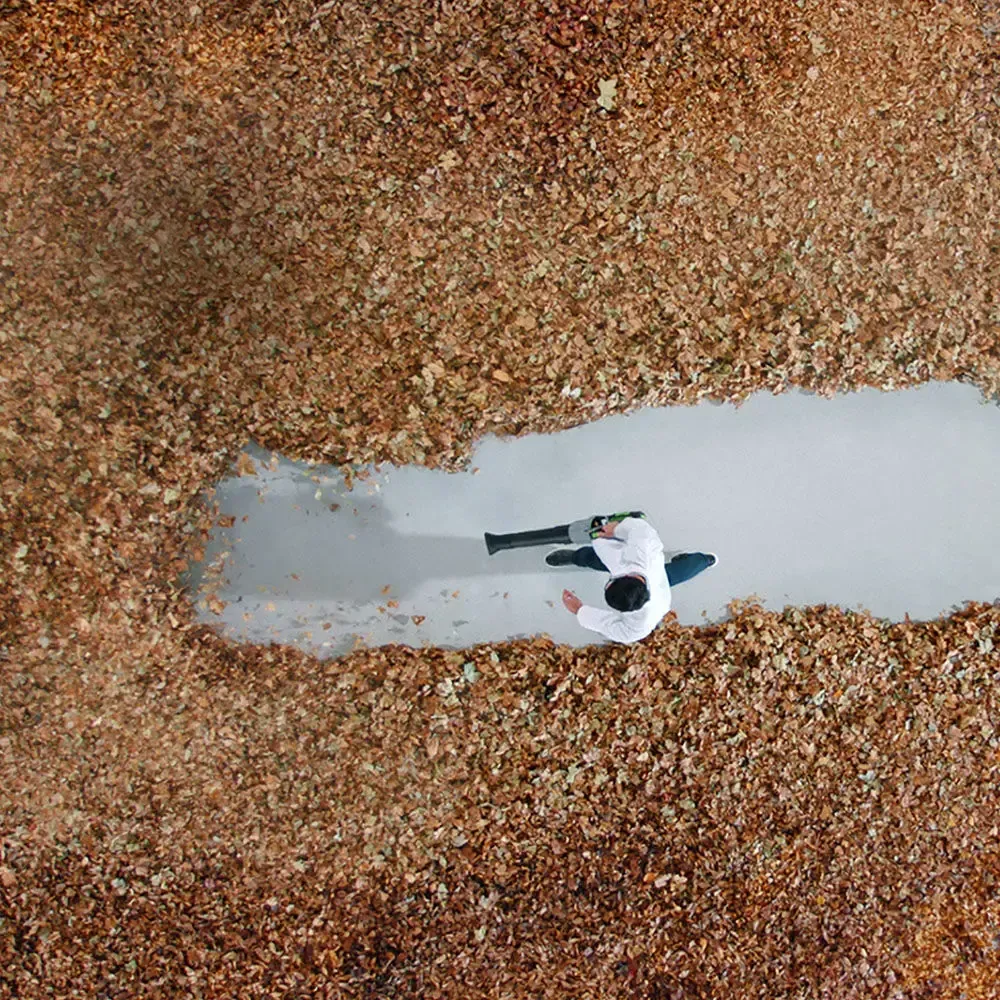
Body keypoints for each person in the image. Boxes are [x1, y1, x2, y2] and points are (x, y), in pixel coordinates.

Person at [546, 515, 716, 644]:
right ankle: (576, 557)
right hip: (641, 565)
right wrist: (617, 529)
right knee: (594, 558)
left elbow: (613, 628)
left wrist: (580, 610)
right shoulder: (642, 549)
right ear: (630, 576)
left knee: (677, 573)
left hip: (659, 587)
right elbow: (641, 529)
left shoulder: (641, 623)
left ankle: (705, 560)